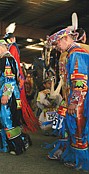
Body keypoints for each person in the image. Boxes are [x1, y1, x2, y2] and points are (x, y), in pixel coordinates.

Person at [46, 26, 89, 171]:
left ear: (66, 38)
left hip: (79, 100)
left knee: (78, 129)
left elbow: (80, 81)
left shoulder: (77, 53)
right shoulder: (72, 53)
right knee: (73, 129)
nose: (56, 46)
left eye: (57, 42)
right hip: (73, 97)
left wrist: (74, 102)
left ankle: (82, 162)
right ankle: (74, 157)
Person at [0, 39, 31, 155]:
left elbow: (10, 79)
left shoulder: (6, 59)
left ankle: (18, 145)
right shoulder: (6, 59)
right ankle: (3, 145)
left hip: (9, 94)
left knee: (7, 118)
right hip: (6, 92)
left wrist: (6, 95)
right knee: (2, 118)